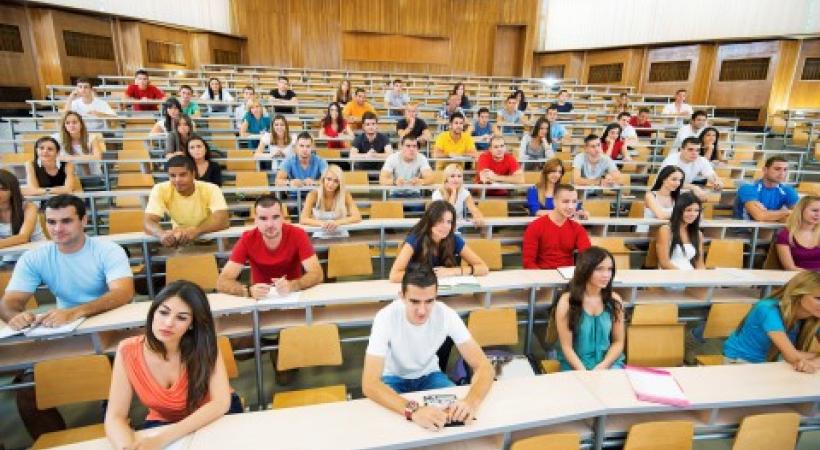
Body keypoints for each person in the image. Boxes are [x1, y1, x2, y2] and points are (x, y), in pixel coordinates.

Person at [105, 280, 241, 449]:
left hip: (211, 417)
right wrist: (128, 447)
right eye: (163, 312)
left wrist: (161, 439)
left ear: (192, 324)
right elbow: (115, 416)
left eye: (181, 317)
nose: (168, 323)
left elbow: (220, 403)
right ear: (153, 312)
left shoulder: (205, 345)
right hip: (164, 422)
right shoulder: (127, 350)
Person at [362, 264, 493, 430]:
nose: (422, 311)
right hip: (392, 378)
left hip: (430, 375)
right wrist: (414, 411)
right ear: (401, 296)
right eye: (415, 301)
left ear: (436, 296)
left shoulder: (446, 315)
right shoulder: (385, 317)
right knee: (391, 429)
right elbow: (369, 383)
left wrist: (471, 402)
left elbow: (484, 367)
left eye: (429, 301)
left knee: (458, 421)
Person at [1, 194, 134, 328]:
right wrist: (15, 317)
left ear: (83, 220)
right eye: (51, 222)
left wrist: (74, 313)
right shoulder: (32, 257)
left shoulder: (109, 250)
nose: (58, 229)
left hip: (110, 318)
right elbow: (9, 302)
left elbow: (123, 293)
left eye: (66, 221)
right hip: (65, 325)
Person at [217, 195, 323, 299]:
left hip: (292, 296)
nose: (270, 224)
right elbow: (222, 281)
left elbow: (317, 274)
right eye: (263, 218)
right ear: (255, 220)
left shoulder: (298, 234)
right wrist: (247, 290)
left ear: (283, 217)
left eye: (275, 217)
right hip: (260, 301)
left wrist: (293, 285)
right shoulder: (247, 239)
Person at [723, 271, 820, 373]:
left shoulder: (814, 315)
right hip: (741, 362)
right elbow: (792, 357)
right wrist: (816, 356)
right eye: (818, 298)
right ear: (798, 294)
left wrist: (813, 361)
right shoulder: (768, 309)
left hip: (774, 364)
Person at [547, 246, 625, 371]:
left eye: (610, 269)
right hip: (576, 365)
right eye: (599, 269)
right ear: (585, 270)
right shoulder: (567, 301)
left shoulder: (615, 300)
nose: (606, 275)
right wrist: (585, 373)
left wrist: (603, 366)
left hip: (608, 363)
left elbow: (618, 342)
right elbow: (567, 347)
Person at [389, 200, 489, 283]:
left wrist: (453, 271)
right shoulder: (415, 239)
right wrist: (429, 275)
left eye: (449, 222)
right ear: (430, 221)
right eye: (440, 221)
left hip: (446, 292)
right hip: (420, 291)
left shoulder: (454, 239)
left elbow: (483, 268)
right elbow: (394, 275)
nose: (446, 226)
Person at [144, 156, 229, 248]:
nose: (177, 180)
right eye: (172, 175)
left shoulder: (211, 188)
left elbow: (222, 220)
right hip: (180, 240)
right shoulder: (160, 189)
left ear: (193, 174)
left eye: (183, 174)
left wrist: (196, 230)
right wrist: (161, 234)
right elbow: (148, 221)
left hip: (213, 238)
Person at [522, 184, 591, 269]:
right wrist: (542, 279)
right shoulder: (535, 227)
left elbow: (588, 257)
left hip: (568, 277)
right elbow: (528, 262)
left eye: (574, 202)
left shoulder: (578, 229)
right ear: (554, 201)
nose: (571, 207)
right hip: (542, 276)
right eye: (565, 201)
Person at [300, 165, 362, 235]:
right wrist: (323, 224)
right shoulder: (313, 195)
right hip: (320, 232)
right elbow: (303, 219)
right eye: (329, 179)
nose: (331, 184)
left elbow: (357, 216)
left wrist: (336, 223)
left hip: (341, 233)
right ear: (323, 179)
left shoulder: (345, 194)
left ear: (339, 183)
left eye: (336, 181)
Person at [734, 156, 798, 222]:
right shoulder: (748, 188)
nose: (782, 173)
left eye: (785, 170)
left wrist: (769, 215)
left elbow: (799, 214)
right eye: (777, 169)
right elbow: (759, 216)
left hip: (770, 228)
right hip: (744, 229)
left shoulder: (787, 190)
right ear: (765, 170)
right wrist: (786, 212)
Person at [660, 137, 723, 201]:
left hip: (681, 193)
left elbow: (711, 175)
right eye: (690, 149)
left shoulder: (701, 160)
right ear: (681, 150)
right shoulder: (672, 160)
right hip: (663, 193)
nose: (694, 153)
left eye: (697, 150)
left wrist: (717, 182)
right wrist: (693, 187)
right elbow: (671, 182)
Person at [656, 192, 705, 270]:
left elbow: (699, 263)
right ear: (679, 210)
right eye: (688, 210)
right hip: (670, 275)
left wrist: (701, 278)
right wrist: (683, 277)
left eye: (696, 210)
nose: (693, 214)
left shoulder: (698, 234)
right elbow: (664, 263)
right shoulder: (665, 230)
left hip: (690, 275)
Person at [0, 169, 45, 254]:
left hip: (35, 255)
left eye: (3, 189)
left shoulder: (29, 207)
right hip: (7, 258)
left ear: (13, 191)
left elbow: (23, 237)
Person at [432, 164, 484, 231]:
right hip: (442, 227)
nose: (456, 179)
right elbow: (446, 213)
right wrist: (453, 193)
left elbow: (473, 208)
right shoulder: (437, 193)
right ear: (446, 178)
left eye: (459, 176)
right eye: (452, 176)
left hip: (458, 226)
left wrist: (478, 216)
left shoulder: (464, 192)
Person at [52, 110, 105, 176]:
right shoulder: (56, 138)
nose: (71, 125)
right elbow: (53, 157)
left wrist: (69, 158)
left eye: (74, 122)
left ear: (81, 124)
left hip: (92, 176)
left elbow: (97, 157)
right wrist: (85, 158)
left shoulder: (92, 137)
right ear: (64, 126)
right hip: (69, 177)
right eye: (67, 123)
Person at [775, 196, 820, 271]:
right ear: (801, 210)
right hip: (800, 279)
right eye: (814, 210)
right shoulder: (785, 235)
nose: (818, 214)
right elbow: (790, 268)